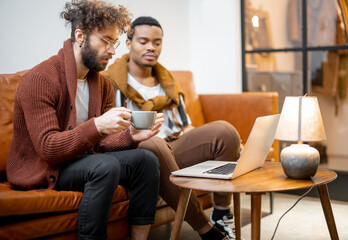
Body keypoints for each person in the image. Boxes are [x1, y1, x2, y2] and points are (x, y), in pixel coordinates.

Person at [6, 2, 165, 240]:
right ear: (80, 36)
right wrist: (97, 126)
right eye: (106, 41)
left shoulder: (102, 84)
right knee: (104, 166)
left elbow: (102, 143)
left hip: (82, 159)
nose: (112, 51)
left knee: (146, 159)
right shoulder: (39, 79)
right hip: (45, 168)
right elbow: (48, 148)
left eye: (115, 42)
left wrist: (131, 136)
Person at [102, 16, 242, 240]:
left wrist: (224, 147)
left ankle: (221, 214)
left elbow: (185, 127)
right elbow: (110, 133)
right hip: (137, 152)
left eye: (157, 42)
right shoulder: (110, 82)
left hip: (173, 147)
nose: (151, 47)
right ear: (128, 44)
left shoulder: (168, 82)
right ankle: (206, 229)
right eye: (143, 41)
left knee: (225, 132)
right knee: (152, 144)